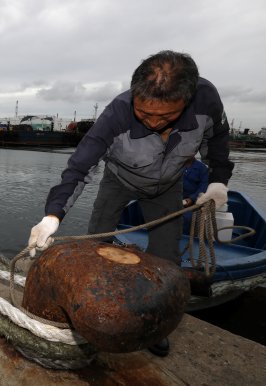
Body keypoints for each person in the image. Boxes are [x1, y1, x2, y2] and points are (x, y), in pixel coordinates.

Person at [27, 50, 234, 357]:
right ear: (134, 94)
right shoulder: (116, 115)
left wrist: (218, 181)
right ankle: (90, 316)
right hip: (119, 181)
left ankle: (154, 327)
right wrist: (52, 217)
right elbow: (78, 168)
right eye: (143, 112)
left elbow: (218, 142)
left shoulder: (206, 101)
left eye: (164, 116)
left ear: (187, 101)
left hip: (167, 186)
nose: (152, 122)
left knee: (166, 260)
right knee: (96, 244)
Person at [182, 156, 209, 232]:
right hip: (175, 198)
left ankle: (184, 237)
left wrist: (192, 198)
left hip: (193, 203)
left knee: (187, 218)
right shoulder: (175, 165)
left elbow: (203, 187)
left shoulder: (202, 168)